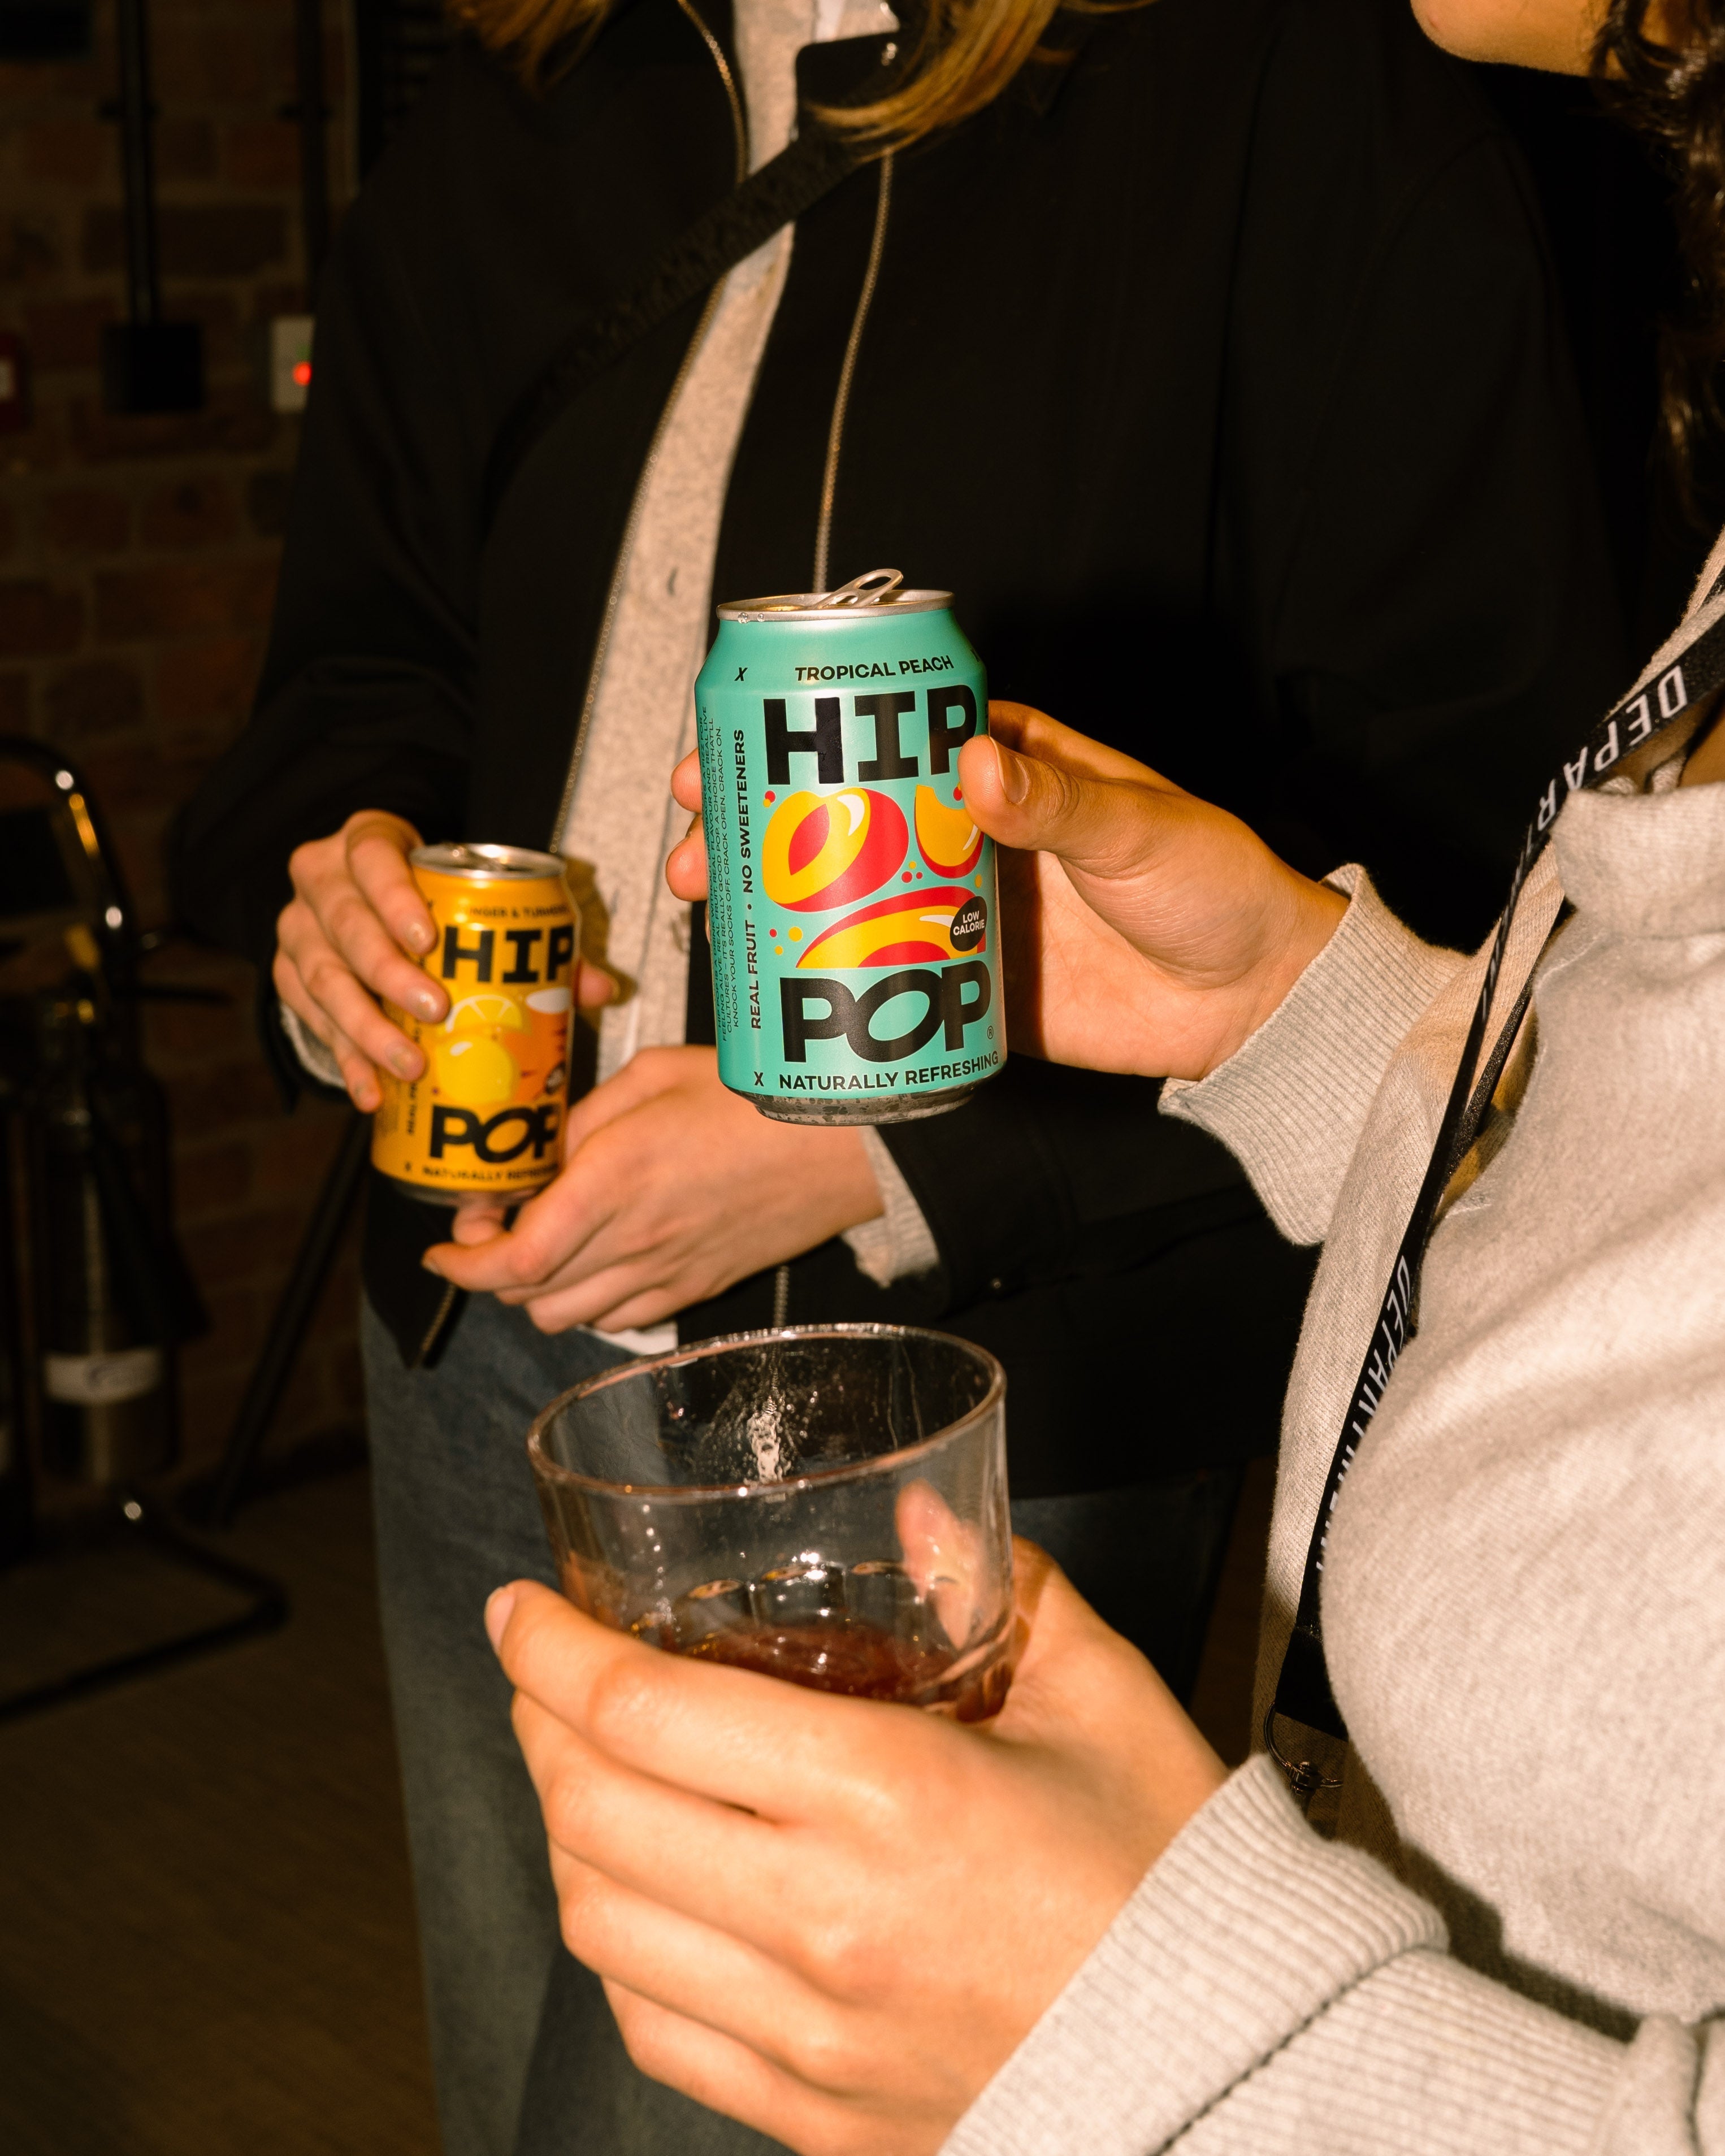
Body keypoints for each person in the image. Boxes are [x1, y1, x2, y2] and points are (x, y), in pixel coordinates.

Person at [173, 0, 1625, 2147]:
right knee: (504, 2090)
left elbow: (1486, 867)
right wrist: (346, 917)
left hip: (962, 1401)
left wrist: (888, 1157)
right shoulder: (519, 104)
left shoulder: (1290, 96)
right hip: (486, 1359)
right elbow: (371, 663)